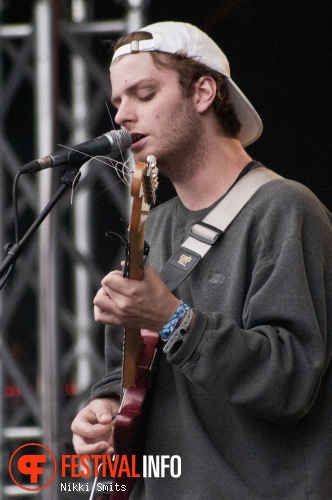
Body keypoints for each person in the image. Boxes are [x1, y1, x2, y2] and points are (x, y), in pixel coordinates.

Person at [71, 21, 332, 499]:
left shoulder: (286, 209)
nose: (123, 116)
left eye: (143, 94)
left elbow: (291, 381)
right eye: (117, 104)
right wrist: (106, 407)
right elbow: (125, 369)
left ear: (204, 92)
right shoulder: (147, 226)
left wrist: (172, 318)